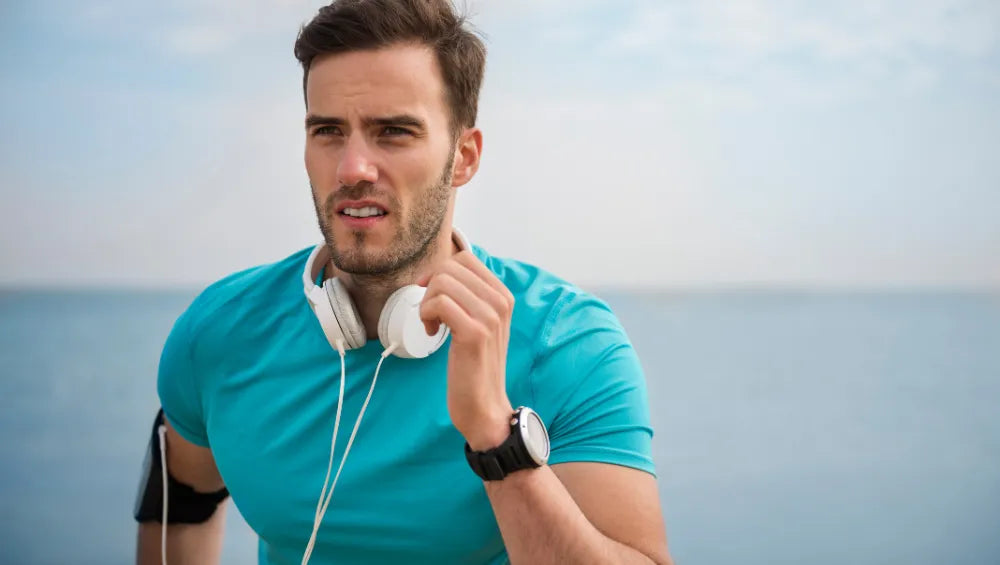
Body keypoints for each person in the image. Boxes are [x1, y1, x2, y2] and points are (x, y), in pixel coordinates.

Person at [134, 1, 673, 564]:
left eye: (393, 132)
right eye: (328, 131)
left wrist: (495, 436)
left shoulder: (569, 344)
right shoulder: (220, 331)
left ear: (463, 157)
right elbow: (183, 496)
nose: (352, 169)